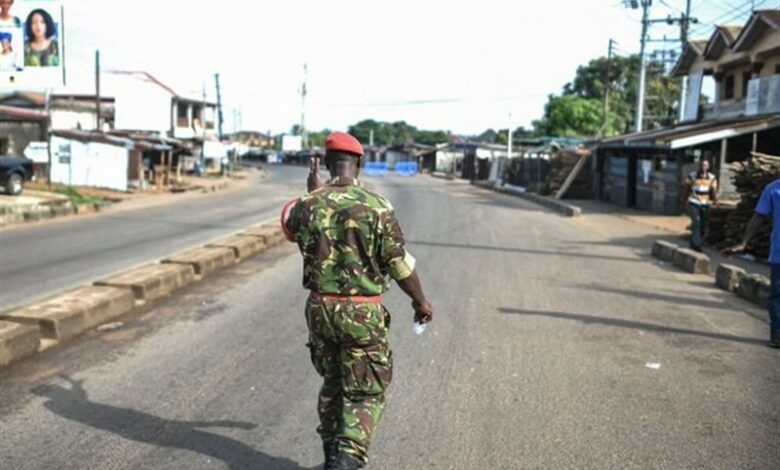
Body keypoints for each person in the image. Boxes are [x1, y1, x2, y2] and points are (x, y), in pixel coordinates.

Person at [283, 131, 433, 470]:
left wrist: (314, 193)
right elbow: (398, 264)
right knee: (365, 391)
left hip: (320, 309)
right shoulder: (377, 207)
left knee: (333, 383)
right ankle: (345, 462)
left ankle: (331, 458)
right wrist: (420, 301)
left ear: (327, 162)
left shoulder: (306, 204)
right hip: (362, 313)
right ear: (359, 164)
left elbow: (291, 230)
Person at [727, 178, 780, 348]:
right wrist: (744, 242)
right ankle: (777, 335)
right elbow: (759, 216)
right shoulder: (773, 189)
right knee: (777, 295)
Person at [683, 159, 718, 252]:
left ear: (708, 167)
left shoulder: (712, 178)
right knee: (696, 223)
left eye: (705, 166)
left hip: (705, 203)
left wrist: (715, 199)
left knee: (703, 225)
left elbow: (713, 190)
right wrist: (684, 200)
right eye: (702, 165)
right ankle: (696, 245)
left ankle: (694, 242)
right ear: (699, 166)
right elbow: (686, 189)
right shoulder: (692, 176)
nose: (703, 168)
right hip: (694, 202)